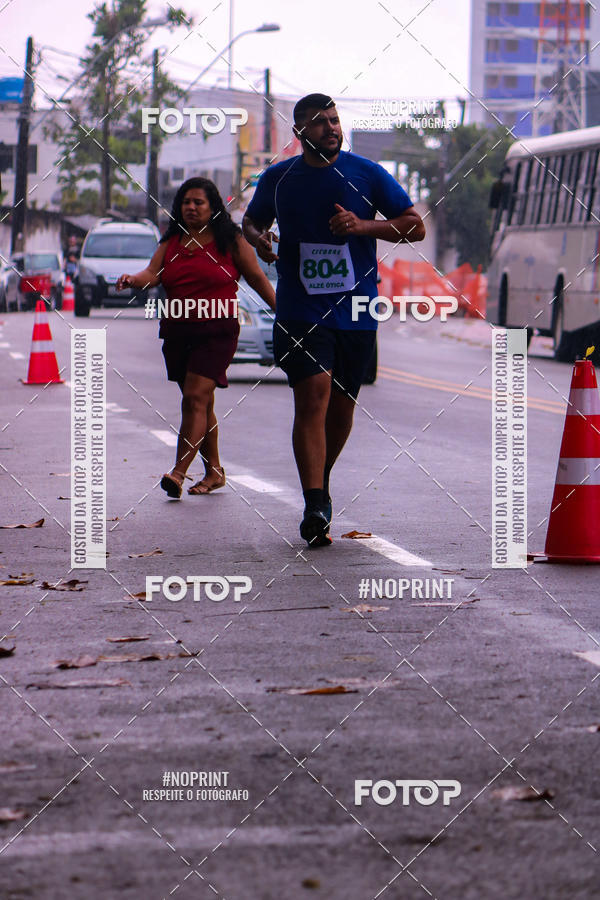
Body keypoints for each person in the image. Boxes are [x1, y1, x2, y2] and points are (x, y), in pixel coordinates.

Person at [243, 93, 425, 547]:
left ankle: (318, 482)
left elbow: (414, 225)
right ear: (299, 132)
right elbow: (249, 222)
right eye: (320, 122)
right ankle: (314, 502)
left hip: (357, 309)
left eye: (335, 119)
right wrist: (259, 239)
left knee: (342, 407)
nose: (330, 127)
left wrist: (363, 226)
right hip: (300, 307)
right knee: (314, 394)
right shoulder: (279, 178)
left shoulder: (367, 174)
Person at [117, 177, 275, 499]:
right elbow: (152, 274)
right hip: (178, 331)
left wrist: (283, 313)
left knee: (193, 398)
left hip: (217, 331)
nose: (191, 207)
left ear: (213, 207)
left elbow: (257, 278)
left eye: (198, 202)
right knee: (200, 402)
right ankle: (214, 470)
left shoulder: (230, 240)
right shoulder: (172, 240)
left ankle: (178, 472)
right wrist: (134, 279)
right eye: (186, 202)